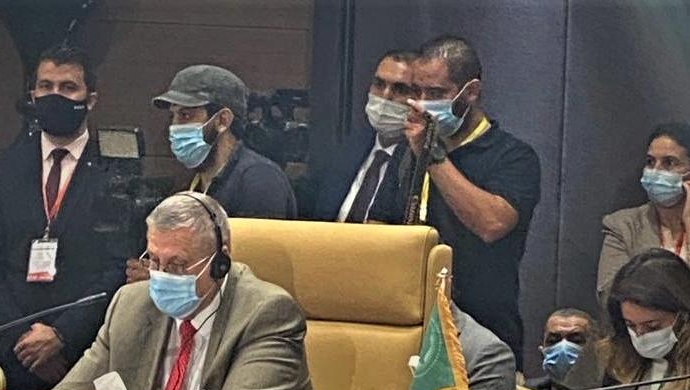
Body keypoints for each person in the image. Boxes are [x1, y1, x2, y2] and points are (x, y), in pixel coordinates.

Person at [38, 192, 317, 390]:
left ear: (220, 261)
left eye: (177, 265)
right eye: (154, 261)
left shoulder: (267, 314)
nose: (162, 276)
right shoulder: (131, 304)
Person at [372, 35, 541, 369]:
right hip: (411, 326)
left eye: (435, 94)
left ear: (471, 92)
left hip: (483, 334)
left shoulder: (513, 156)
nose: (422, 104)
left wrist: (433, 157)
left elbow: (492, 224)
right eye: (416, 92)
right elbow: (377, 227)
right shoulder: (406, 152)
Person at [0, 44, 126, 390]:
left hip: (81, 355)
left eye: (68, 88)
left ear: (91, 99)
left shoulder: (117, 172)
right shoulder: (4, 169)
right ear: (33, 95)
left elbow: (117, 269)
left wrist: (63, 337)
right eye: (46, 86)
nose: (55, 96)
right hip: (9, 352)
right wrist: (22, 340)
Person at [154, 64, 297, 220]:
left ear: (223, 120)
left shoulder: (259, 179)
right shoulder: (193, 184)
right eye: (173, 116)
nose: (174, 126)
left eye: (186, 115)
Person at [591, 248, 690, 390]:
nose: (641, 336)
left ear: (683, 316)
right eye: (631, 325)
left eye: (652, 326)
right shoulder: (620, 367)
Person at [314, 50, 417, 222]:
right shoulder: (350, 148)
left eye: (400, 89)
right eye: (379, 84)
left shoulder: (420, 164)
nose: (385, 95)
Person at [597, 122, 690, 309]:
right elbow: (609, 296)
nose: (656, 171)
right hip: (638, 325)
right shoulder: (623, 225)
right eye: (650, 162)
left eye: (669, 163)